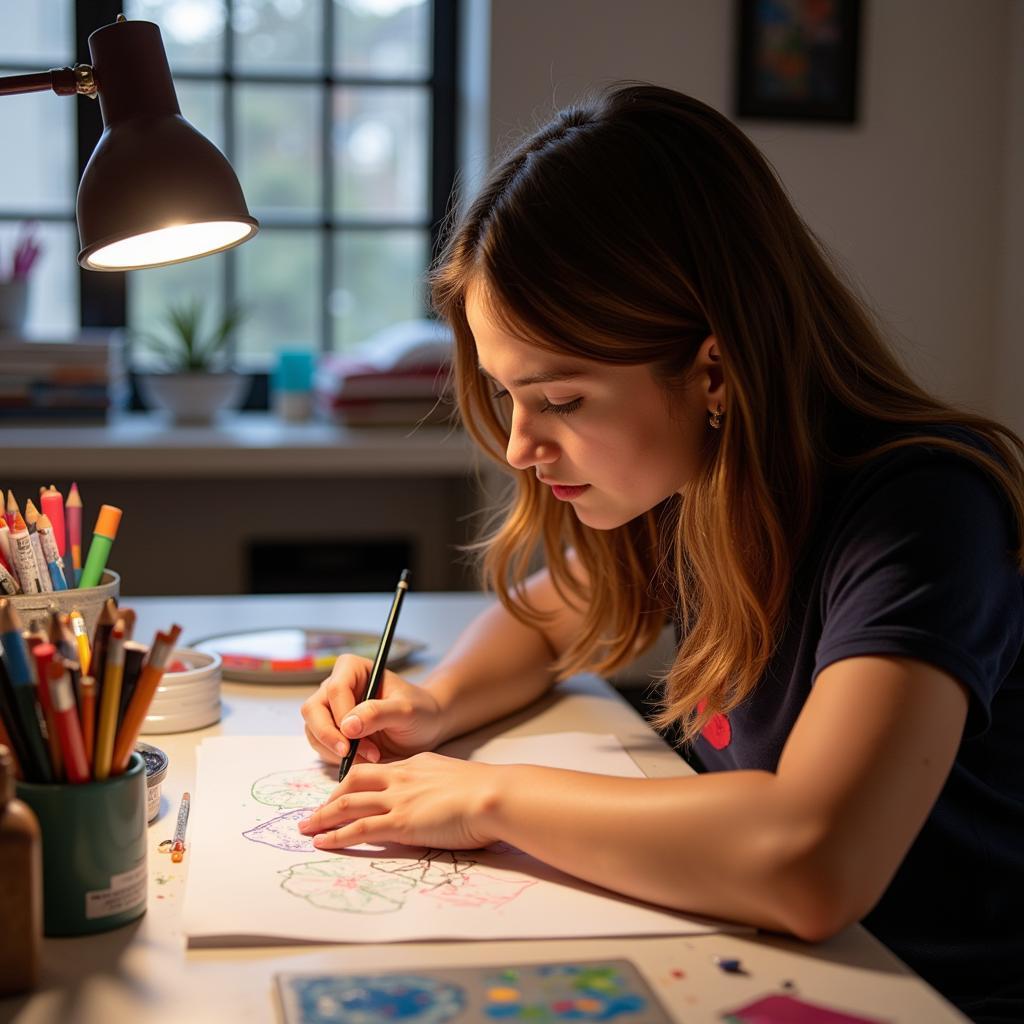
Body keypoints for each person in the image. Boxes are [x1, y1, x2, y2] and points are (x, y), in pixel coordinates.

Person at [299, 85, 1024, 1023]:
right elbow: (549, 610)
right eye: (503, 393)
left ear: (714, 371)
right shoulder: (693, 480)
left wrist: (487, 798)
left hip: (928, 990)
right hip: (758, 959)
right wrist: (434, 701)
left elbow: (812, 862)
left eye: (561, 400)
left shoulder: (924, 511)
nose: (519, 446)